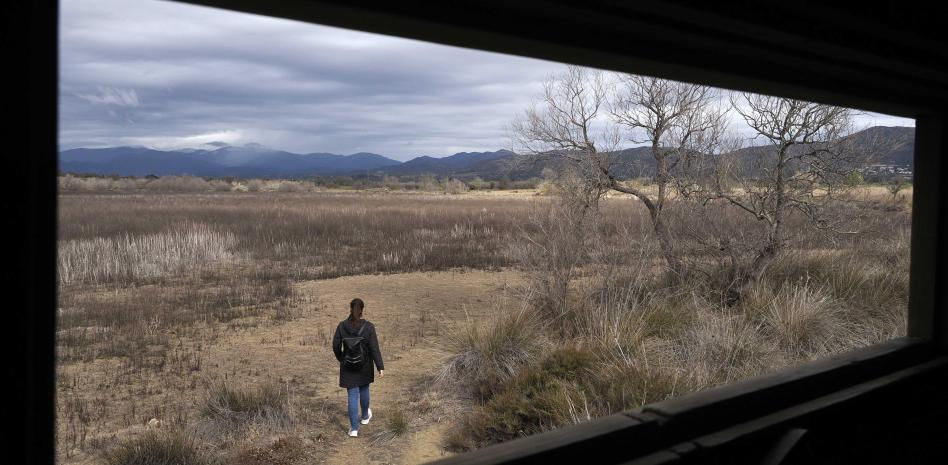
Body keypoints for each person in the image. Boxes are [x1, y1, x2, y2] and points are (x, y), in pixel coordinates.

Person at [332, 298, 384, 438]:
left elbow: (335, 346)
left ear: (350, 309)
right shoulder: (369, 327)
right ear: (362, 310)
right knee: (364, 389)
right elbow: (374, 348)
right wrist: (380, 366)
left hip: (347, 366)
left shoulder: (342, 326)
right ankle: (365, 416)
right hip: (365, 365)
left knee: (352, 395)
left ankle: (354, 429)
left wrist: (342, 359)